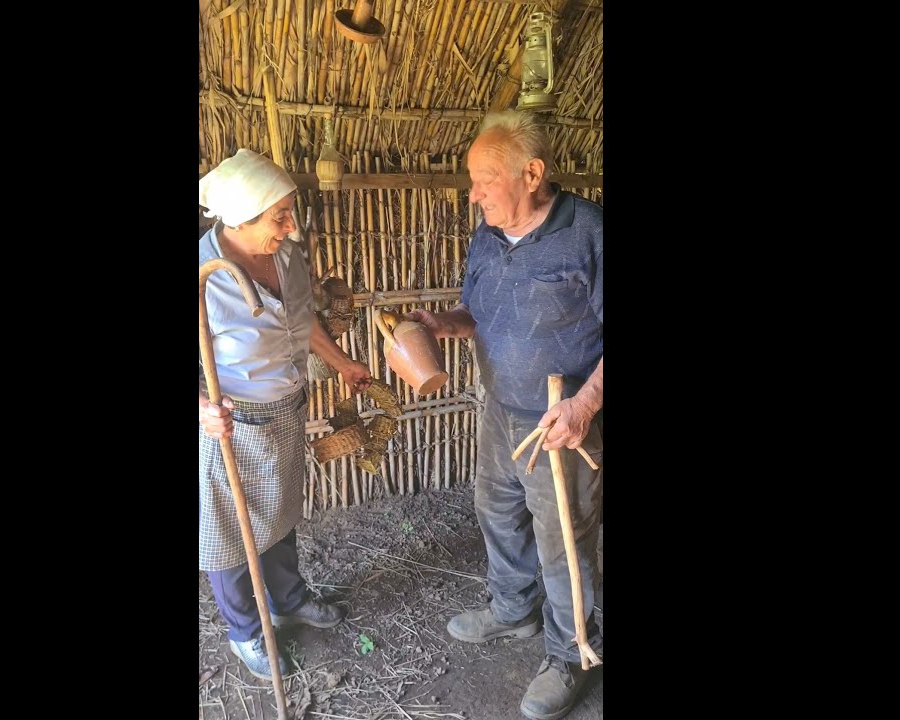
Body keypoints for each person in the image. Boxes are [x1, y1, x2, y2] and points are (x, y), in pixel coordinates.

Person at [404, 110, 604, 720]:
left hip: (560, 419)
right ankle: (513, 610)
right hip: (501, 408)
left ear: (532, 172)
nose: (474, 192)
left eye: (485, 179)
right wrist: (444, 325)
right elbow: (479, 312)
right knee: (495, 509)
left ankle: (573, 652)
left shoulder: (589, 232)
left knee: (563, 538)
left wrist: (585, 403)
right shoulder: (487, 235)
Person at [199, 148, 372, 681]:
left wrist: (341, 363)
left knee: (279, 514)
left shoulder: (287, 256)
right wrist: (202, 409)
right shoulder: (204, 274)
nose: (292, 226)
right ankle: (246, 633)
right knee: (229, 533)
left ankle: (288, 598)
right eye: (280, 216)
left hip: (286, 411)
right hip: (230, 424)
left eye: (290, 212)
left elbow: (301, 322)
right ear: (240, 219)